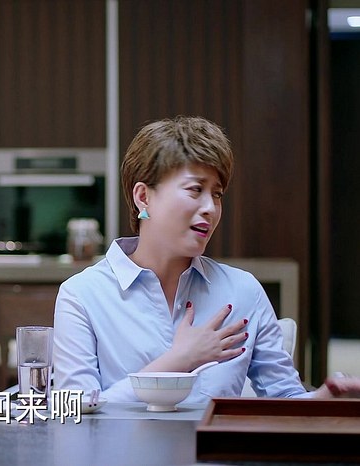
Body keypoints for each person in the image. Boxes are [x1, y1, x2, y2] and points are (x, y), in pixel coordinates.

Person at [53, 116, 360, 401]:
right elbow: (74, 412)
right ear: (143, 197)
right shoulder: (82, 295)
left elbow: (286, 403)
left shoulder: (242, 291)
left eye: (217, 194)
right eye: (195, 189)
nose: (210, 209)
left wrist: (327, 400)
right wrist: (179, 360)